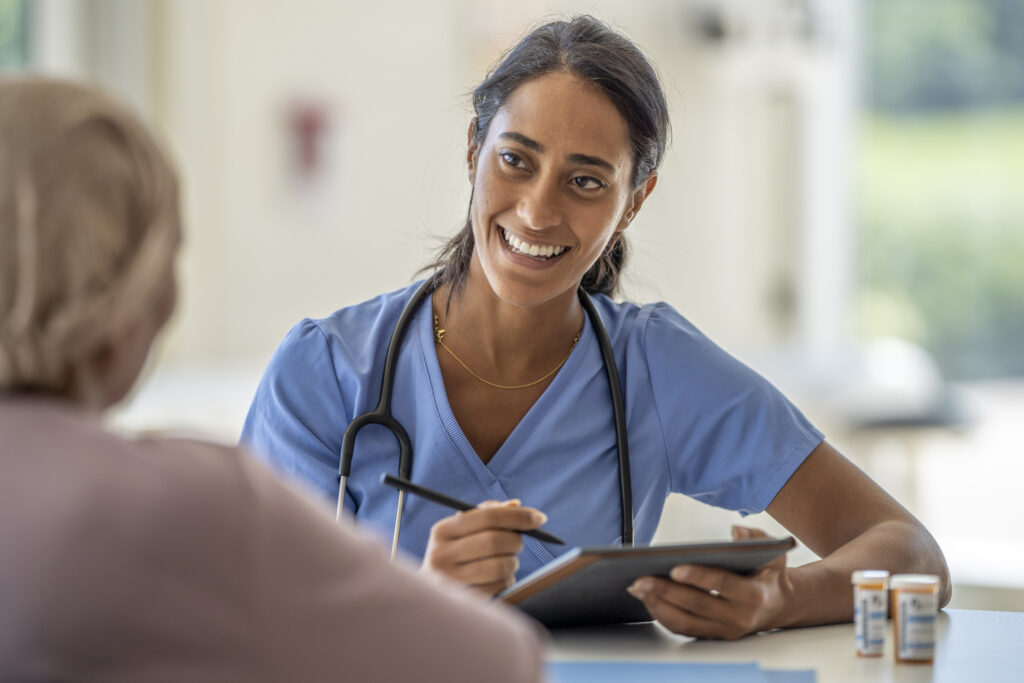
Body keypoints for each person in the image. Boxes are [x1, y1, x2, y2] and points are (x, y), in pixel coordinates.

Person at [241, 16, 951, 640]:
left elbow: (910, 551)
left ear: (634, 202)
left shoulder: (656, 368)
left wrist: (782, 596)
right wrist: (415, 602)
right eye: (516, 160)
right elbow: (236, 619)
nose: (538, 211)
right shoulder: (327, 371)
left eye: (585, 181)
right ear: (471, 151)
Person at [0, 77, 545, 681]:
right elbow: (496, 662)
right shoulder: (190, 506)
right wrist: (431, 594)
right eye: (166, 257)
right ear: (130, 300)